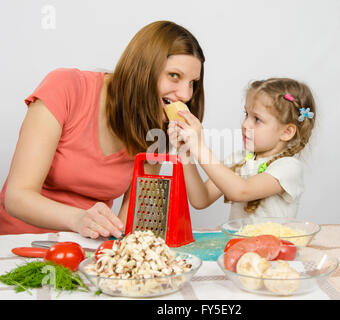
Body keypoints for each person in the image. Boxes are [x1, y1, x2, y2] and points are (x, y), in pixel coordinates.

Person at [0, 20, 205, 238]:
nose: (186, 94)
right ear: (143, 68)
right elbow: (17, 197)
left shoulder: (155, 129)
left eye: (192, 82)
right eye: (174, 75)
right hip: (20, 245)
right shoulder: (66, 87)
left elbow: (131, 222)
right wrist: (78, 219)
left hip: (86, 250)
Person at [168, 78, 316, 220]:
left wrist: (200, 147)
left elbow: (241, 191)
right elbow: (201, 199)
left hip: (275, 246)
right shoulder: (238, 160)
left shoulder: (288, 167)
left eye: (257, 119)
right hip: (240, 246)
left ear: (287, 132)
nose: (245, 124)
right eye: (247, 115)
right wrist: (186, 152)